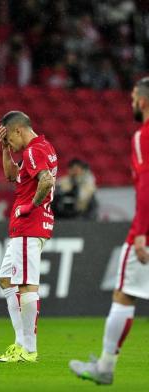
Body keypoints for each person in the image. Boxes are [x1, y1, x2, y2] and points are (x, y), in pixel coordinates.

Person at [69, 77, 149, 384]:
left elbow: (145, 186)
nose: (131, 103)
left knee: (124, 295)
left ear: (142, 102)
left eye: (132, 98)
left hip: (146, 231)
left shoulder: (143, 136)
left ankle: (105, 366)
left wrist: (141, 231)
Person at [0, 111, 57, 363]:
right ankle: (21, 344)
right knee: (7, 279)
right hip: (27, 227)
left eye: (10, 140)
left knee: (26, 285)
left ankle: (28, 350)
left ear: (19, 131)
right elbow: (12, 176)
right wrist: (4, 149)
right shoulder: (40, 148)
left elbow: (47, 181)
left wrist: (30, 207)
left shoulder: (33, 150)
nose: (10, 144)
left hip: (28, 225)